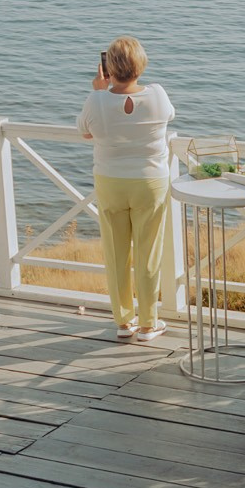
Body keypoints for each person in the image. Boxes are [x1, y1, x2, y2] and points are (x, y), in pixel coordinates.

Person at [77, 36, 176, 344]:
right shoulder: (158, 95)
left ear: (108, 67)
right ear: (140, 64)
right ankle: (148, 324)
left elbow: (84, 131)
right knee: (149, 254)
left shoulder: (97, 100)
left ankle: (124, 321)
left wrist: (99, 92)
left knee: (117, 253)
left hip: (111, 181)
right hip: (150, 182)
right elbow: (168, 117)